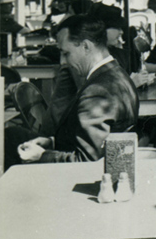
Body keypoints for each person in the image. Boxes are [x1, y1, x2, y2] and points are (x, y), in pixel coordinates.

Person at [17, 14, 139, 163]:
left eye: (66, 53)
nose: (63, 62)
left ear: (86, 46)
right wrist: (52, 142)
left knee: (10, 138)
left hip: (78, 178)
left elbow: (86, 161)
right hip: (112, 167)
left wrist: (41, 156)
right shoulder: (117, 75)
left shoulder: (97, 92)